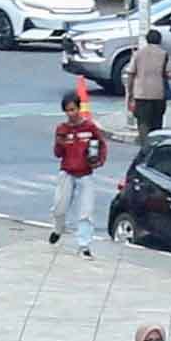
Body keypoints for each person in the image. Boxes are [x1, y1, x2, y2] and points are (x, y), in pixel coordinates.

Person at [50, 84, 109, 253]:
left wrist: (99, 160)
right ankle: (58, 229)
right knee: (59, 207)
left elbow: (101, 145)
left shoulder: (90, 128)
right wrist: (60, 141)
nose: (71, 114)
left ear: (79, 108)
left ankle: (84, 244)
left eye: (73, 109)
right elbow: (57, 154)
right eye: (68, 111)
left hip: (85, 174)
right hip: (67, 172)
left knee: (86, 211)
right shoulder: (62, 129)